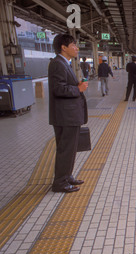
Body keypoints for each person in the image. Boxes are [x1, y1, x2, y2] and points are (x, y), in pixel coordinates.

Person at [48, 33, 88, 193]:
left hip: (69, 115)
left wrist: (77, 85)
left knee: (70, 149)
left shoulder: (64, 63)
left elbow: (63, 84)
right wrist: (78, 89)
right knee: (65, 149)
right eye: (73, 45)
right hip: (65, 116)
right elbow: (58, 89)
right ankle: (60, 183)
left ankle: (67, 176)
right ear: (64, 48)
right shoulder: (58, 64)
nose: (76, 48)